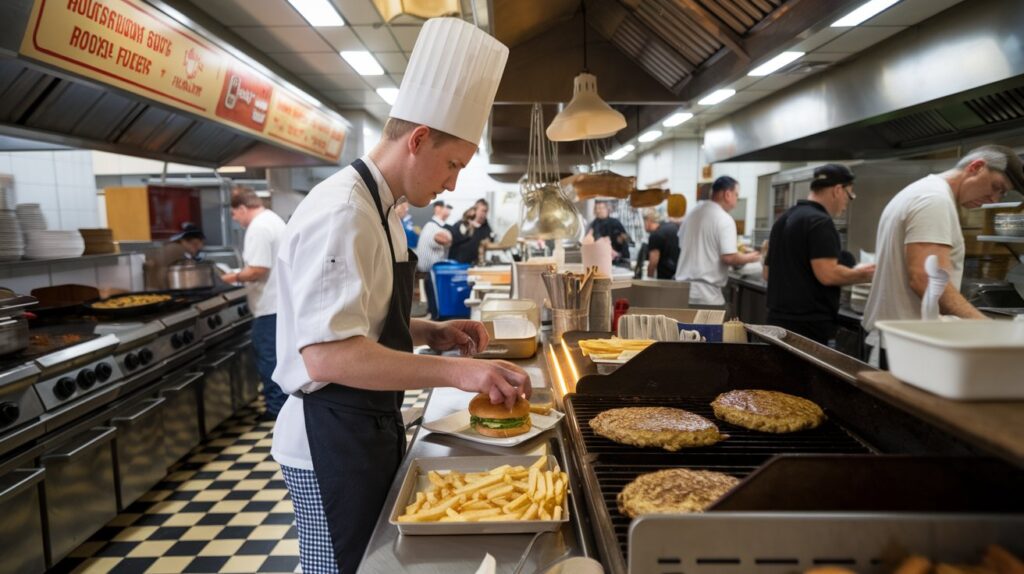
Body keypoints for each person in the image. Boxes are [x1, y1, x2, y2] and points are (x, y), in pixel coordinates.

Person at [271, 18, 526, 573]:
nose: (454, 183)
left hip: (366, 424)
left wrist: (429, 333)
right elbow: (328, 353)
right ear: (417, 140)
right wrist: (460, 374)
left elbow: (358, 320)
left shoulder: (384, 209)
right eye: (453, 163)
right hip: (327, 438)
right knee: (339, 567)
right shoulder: (343, 212)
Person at [862, 145, 1023, 366]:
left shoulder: (921, 191)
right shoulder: (934, 200)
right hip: (907, 348)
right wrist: (987, 328)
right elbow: (926, 281)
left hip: (897, 343)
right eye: (996, 187)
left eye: (1002, 194)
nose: (994, 199)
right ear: (976, 167)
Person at [764, 164, 875, 345]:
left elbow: (767, 273)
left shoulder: (784, 218)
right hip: (807, 327)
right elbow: (828, 274)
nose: (847, 203)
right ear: (838, 190)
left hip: (777, 322)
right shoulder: (820, 222)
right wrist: (866, 274)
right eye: (850, 195)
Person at [221, 189, 289, 419]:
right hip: (281, 304)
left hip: (270, 307)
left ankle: (277, 409)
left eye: (233, 214)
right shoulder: (273, 220)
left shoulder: (259, 227)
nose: (234, 219)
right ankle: (282, 407)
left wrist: (233, 277)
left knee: (269, 356)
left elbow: (258, 269)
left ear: (242, 208)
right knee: (278, 357)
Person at [674, 176, 761, 306]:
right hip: (706, 295)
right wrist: (751, 257)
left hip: (682, 292)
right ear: (727, 194)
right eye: (736, 195)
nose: (737, 200)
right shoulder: (724, 219)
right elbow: (729, 258)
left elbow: (681, 244)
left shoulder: (692, 213)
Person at [415, 200, 454, 318]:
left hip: (432, 272)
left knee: (435, 306)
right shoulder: (433, 226)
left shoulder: (437, 225)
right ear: (438, 209)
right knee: (436, 309)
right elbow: (443, 239)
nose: (449, 211)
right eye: (446, 208)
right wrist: (450, 238)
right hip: (431, 272)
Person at [450, 198, 495, 264]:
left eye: (486, 211)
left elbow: (491, 240)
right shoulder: (462, 224)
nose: (484, 214)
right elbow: (452, 239)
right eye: (482, 211)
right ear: (475, 210)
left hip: (475, 265)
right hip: (458, 264)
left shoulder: (486, 226)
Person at [587, 201, 631, 266]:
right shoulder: (593, 225)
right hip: (601, 260)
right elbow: (590, 242)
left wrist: (623, 238)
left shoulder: (615, 222)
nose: (599, 211)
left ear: (607, 209)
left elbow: (627, 239)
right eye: (597, 208)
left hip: (619, 260)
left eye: (601, 208)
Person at [643, 209, 681, 279]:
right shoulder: (672, 227)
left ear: (648, 221)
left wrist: (648, 279)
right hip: (680, 275)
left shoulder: (655, 235)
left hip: (666, 279)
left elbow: (653, 262)